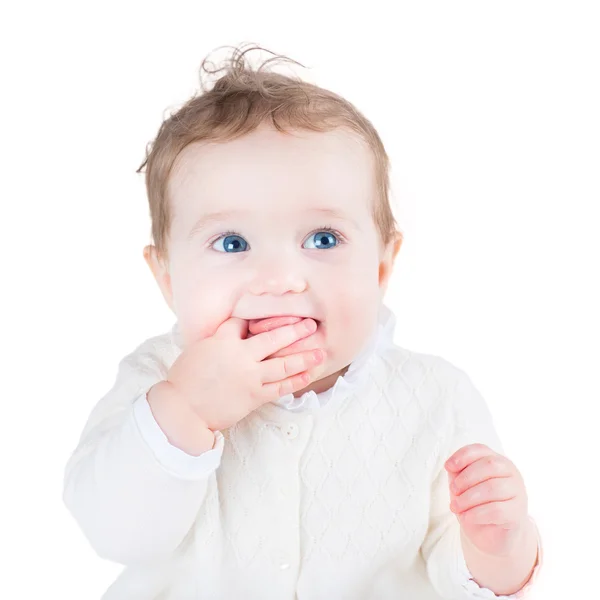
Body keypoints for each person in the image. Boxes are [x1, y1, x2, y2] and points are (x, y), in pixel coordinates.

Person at [63, 44, 543, 600]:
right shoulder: (156, 378)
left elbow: (461, 577)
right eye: (232, 242)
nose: (279, 277)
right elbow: (115, 533)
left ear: (383, 266)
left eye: (322, 239)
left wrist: (497, 545)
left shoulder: (435, 398)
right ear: (167, 277)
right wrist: (186, 410)